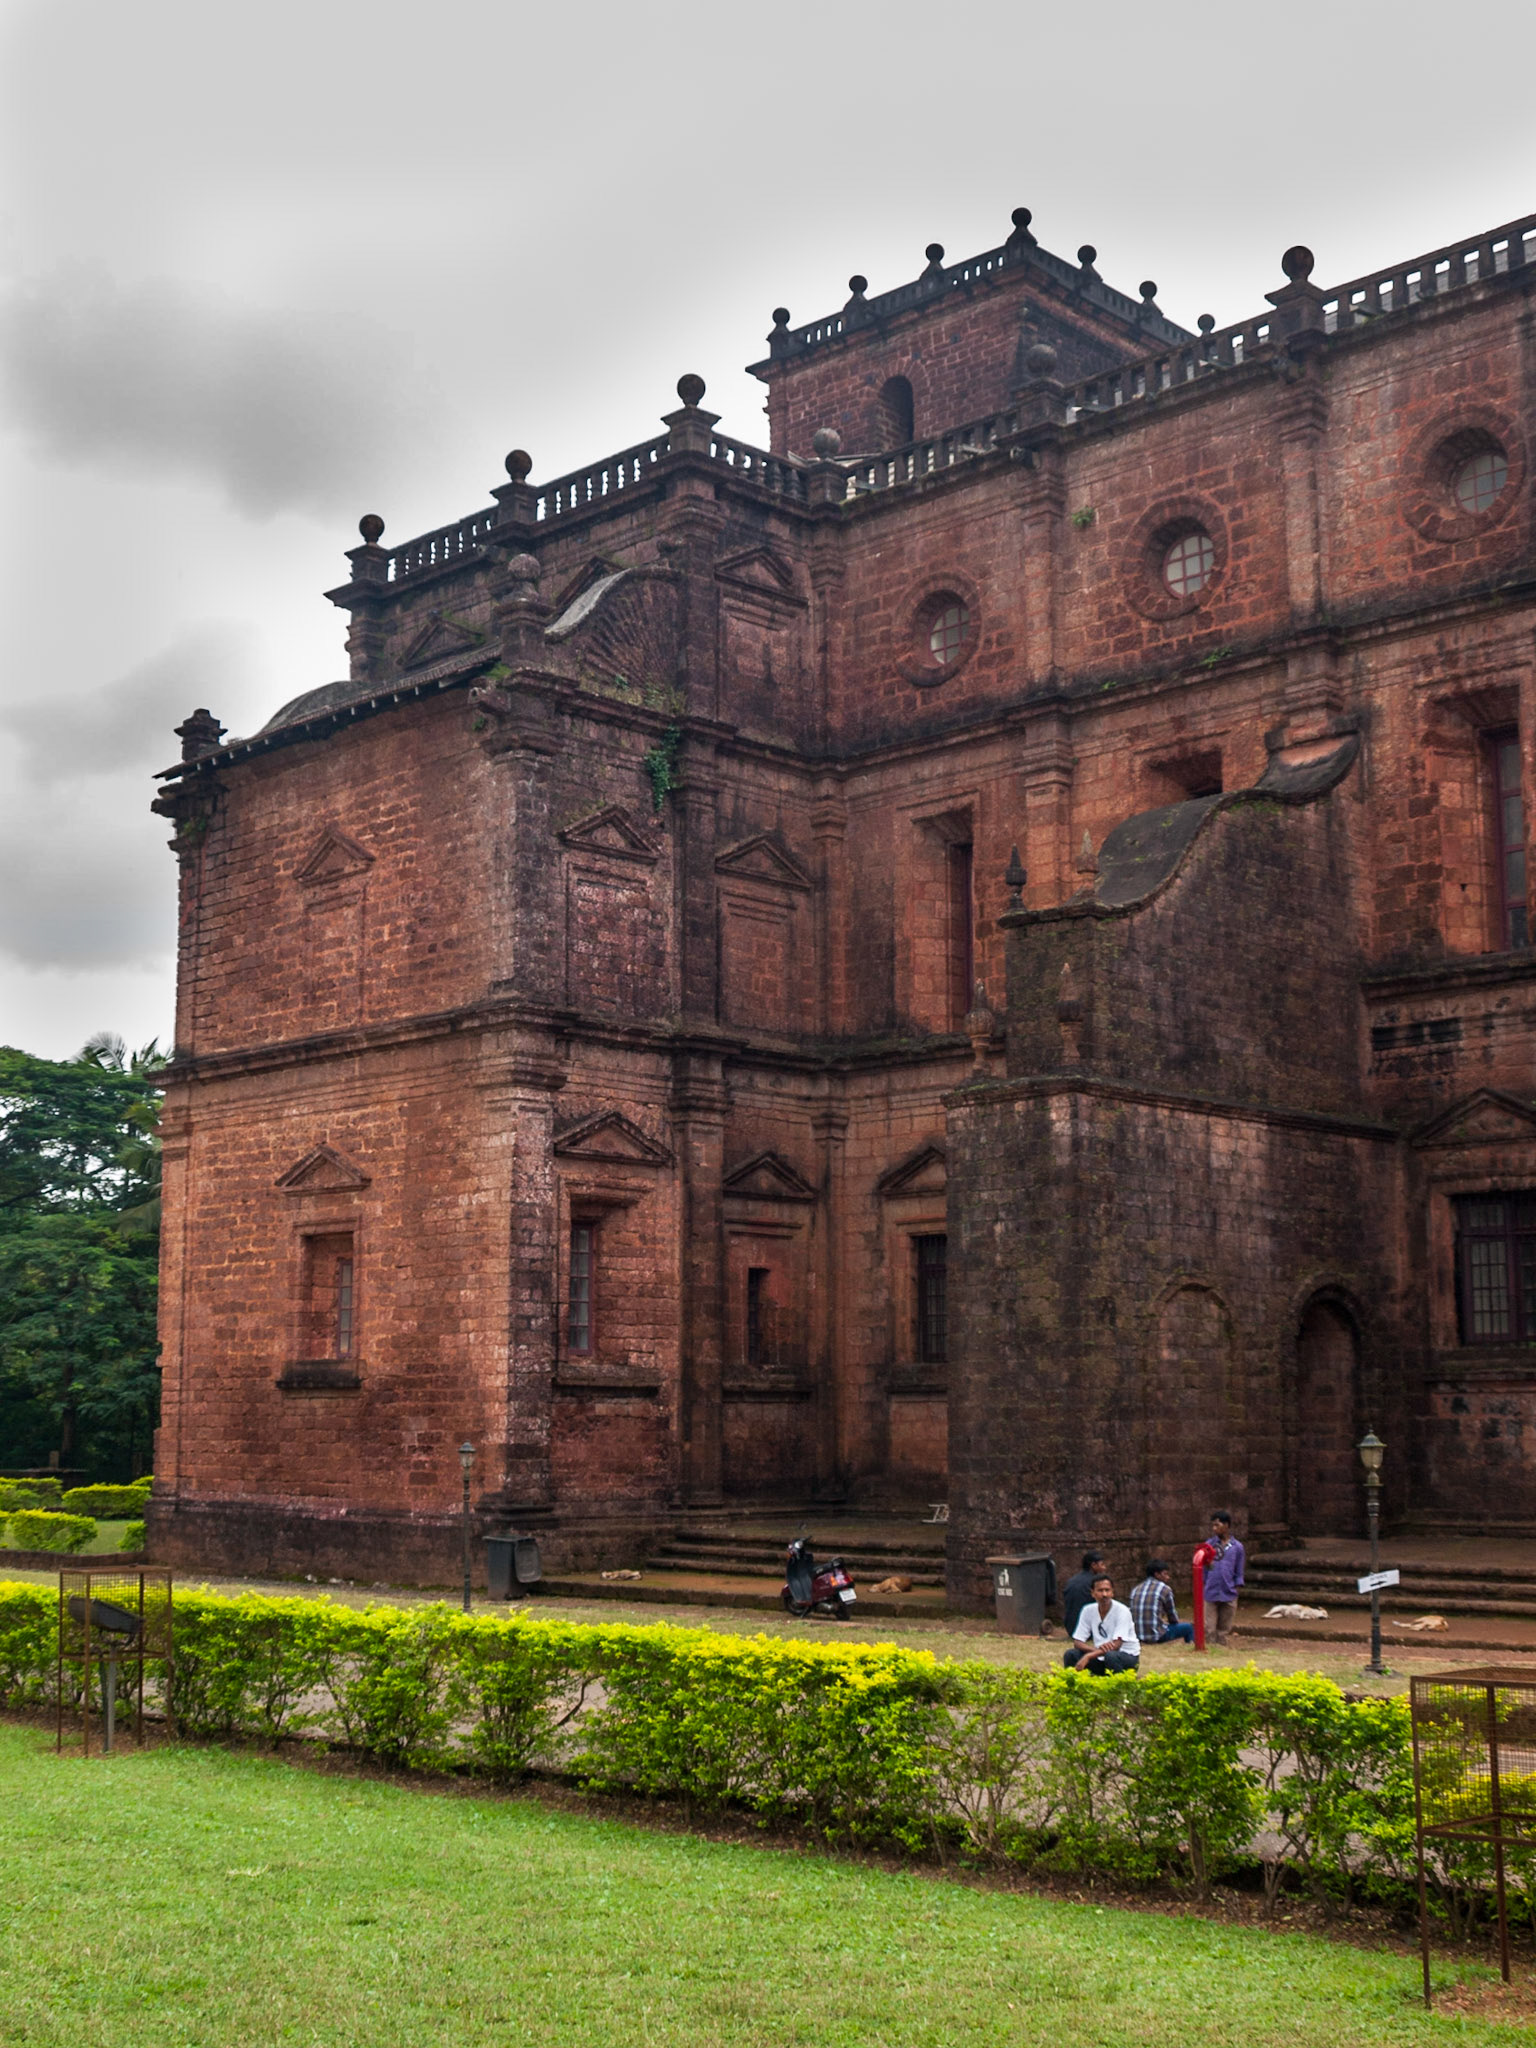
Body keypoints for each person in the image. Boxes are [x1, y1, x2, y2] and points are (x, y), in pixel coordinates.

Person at [1062, 1572, 1140, 1675]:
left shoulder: (1122, 1611)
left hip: (1126, 1656)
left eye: (1107, 1590)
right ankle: (1075, 1687)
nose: (1104, 1594)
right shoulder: (1087, 1610)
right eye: (1100, 1590)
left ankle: (1117, 1688)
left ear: (1112, 1592)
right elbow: (1078, 1642)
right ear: (1092, 1593)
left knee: (1111, 1656)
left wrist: (1089, 1656)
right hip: (1100, 1655)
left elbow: (1116, 1645)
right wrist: (1095, 1651)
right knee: (1071, 1654)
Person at [1202, 1512, 1245, 1647]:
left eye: (1217, 1525)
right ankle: (1210, 1649)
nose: (1214, 1529)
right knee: (1209, 1628)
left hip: (1229, 1591)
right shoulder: (1209, 1545)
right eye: (1213, 1526)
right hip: (1211, 1590)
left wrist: (1236, 1588)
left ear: (1226, 1525)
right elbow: (1203, 1568)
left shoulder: (1237, 1547)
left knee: (1224, 1628)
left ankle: (1221, 1649)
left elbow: (1239, 1570)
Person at [1129, 1559, 1195, 1647]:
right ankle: (1191, 1647)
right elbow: (1172, 1616)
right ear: (1157, 1574)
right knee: (1189, 1628)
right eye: (1165, 1574)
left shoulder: (1136, 1589)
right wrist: (1173, 1623)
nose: (1168, 1577)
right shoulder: (1164, 1589)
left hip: (1137, 1635)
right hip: (1155, 1635)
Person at [1060, 1550, 1106, 1637]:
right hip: (1087, 1631)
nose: (1104, 1568)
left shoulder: (1072, 1581)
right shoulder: (1096, 1583)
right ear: (1093, 1565)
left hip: (1071, 1628)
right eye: (1102, 1564)